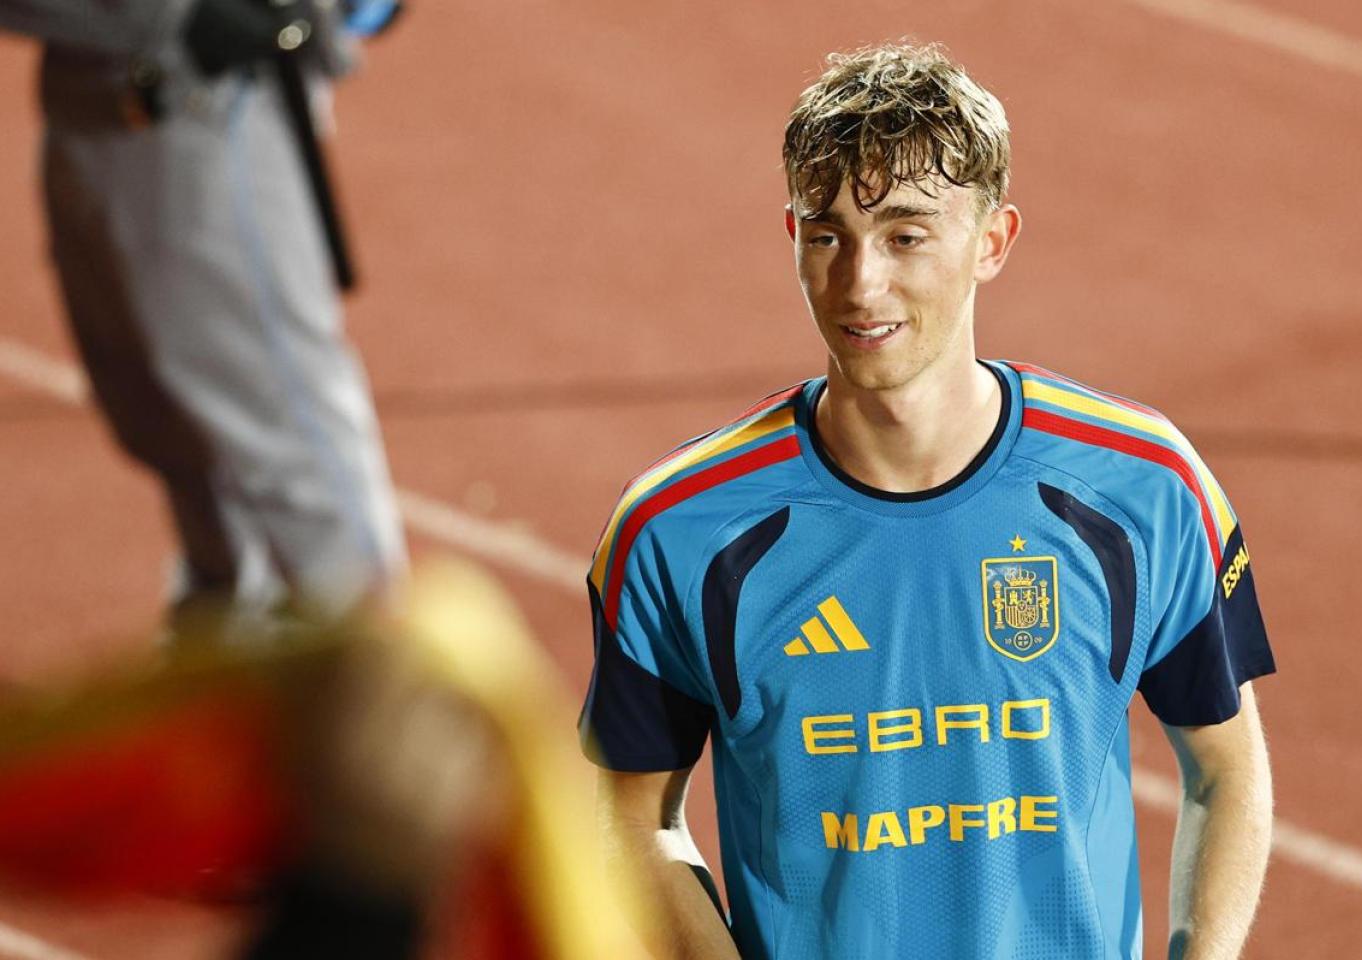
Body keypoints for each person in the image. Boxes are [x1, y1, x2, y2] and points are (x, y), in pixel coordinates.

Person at [579, 42, 1276, 960]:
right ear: (793, 238)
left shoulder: (1145, 488)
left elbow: (1226, 772)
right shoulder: (678, 531)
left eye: (906, 235)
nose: (862, 284)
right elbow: (634, 820)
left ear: (993, 242)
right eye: (828, 235)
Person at [0, 0, 405, 633]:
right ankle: (229, 643)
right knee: (164, 420)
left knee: (282, 438)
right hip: (92, 87)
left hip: (206, 98)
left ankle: (369, 694)